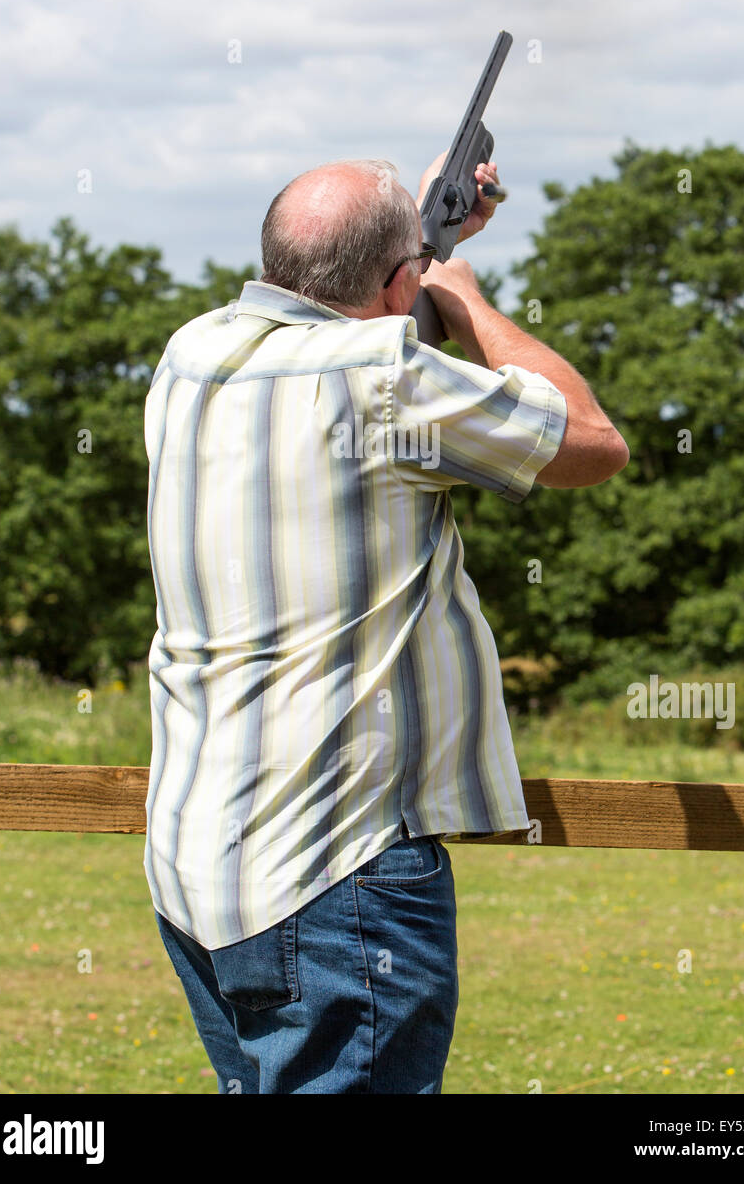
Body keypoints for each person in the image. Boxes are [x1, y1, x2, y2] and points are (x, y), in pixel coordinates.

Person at [142, 151, 629, 1094]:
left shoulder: (190, 354)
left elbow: (336, 312)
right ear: (401, 283)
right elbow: (592, 442)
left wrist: (417, 248)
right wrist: (468, 297)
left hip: (200, 873)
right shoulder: (388, 374)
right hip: (339, 877)